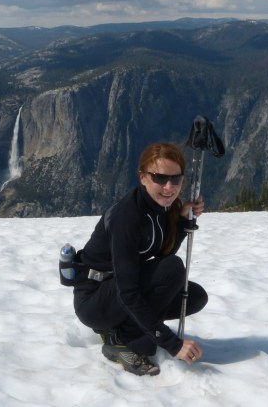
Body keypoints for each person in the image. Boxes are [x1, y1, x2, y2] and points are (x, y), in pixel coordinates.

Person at [73, 142, 208, 376]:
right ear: (143, 177)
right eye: (160, 178)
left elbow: (163, 255)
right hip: (94, 301)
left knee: (194, 296)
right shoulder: (128, 217)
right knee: (173, 271)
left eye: (176, 179)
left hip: (117, 289)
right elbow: (129, 292)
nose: (169, 187)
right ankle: (122, 340)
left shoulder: (161, 208)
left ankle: (126, 328)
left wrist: (183, 220)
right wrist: (172, 343)